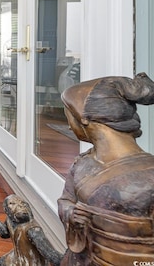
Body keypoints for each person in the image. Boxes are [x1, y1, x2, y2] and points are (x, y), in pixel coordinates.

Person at [58, 72, 154, 265]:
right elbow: (66, 200)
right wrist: (71, 213)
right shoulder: (82, 163)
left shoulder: (149, 175)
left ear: (84, 119)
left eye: (69, 117)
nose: (69, 126)